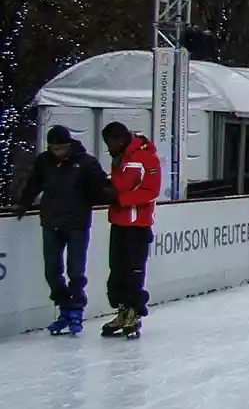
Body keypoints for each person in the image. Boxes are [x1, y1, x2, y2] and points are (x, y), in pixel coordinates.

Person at [17, 124, 110, 336]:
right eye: (53, 149)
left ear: (69, 145)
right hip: (51, 222)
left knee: (75, 271)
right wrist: (24, 203)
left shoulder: (86, 163)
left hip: (77, 223)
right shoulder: (44, 161)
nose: (57, 153)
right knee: (52, 270)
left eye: (61, 149)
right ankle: (64, 307)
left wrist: (109, 194)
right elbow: (34, 184)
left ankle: (76, 308)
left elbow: (100, 187)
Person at [100, 123, 161, 339]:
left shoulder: (147, 158)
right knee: (117, 270)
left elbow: (151, 190)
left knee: (134, 271)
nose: (108, 148)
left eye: (111, 143)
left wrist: (120, 199)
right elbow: (120, 185)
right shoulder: (119, 158)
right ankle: (123, 310)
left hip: (137, 225)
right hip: (119, 222)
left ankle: (134, 312)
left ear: (121, 139)